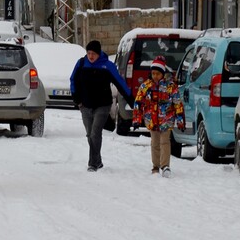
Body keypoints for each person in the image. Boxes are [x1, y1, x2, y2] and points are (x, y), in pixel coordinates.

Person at [70, 39, 134, 172]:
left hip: (103, 105)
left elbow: (120, 83)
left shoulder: (107, 66)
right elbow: (73, 80)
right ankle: (97, 161)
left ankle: (92, 163)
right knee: (89, 134)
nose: (91, 56)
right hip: (85, 105)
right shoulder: (81, 64)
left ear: (99, 53)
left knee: (95, 133)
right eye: (89, 53)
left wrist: (131, 100)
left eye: (93, 53)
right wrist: (77, 99)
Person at [132, 56, 185, 178]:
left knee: (165, 142)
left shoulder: (170, 86)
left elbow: (177, 103)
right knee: (155, 143)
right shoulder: (146, 86)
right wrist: (136, 119)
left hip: (166, 119)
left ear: (162, 73)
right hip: (151, 119)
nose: (155, 76)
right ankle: (155, 165)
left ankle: (165, 165)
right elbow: (138, 102)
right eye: (153, 73)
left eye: (157, 73)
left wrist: (180, 119)